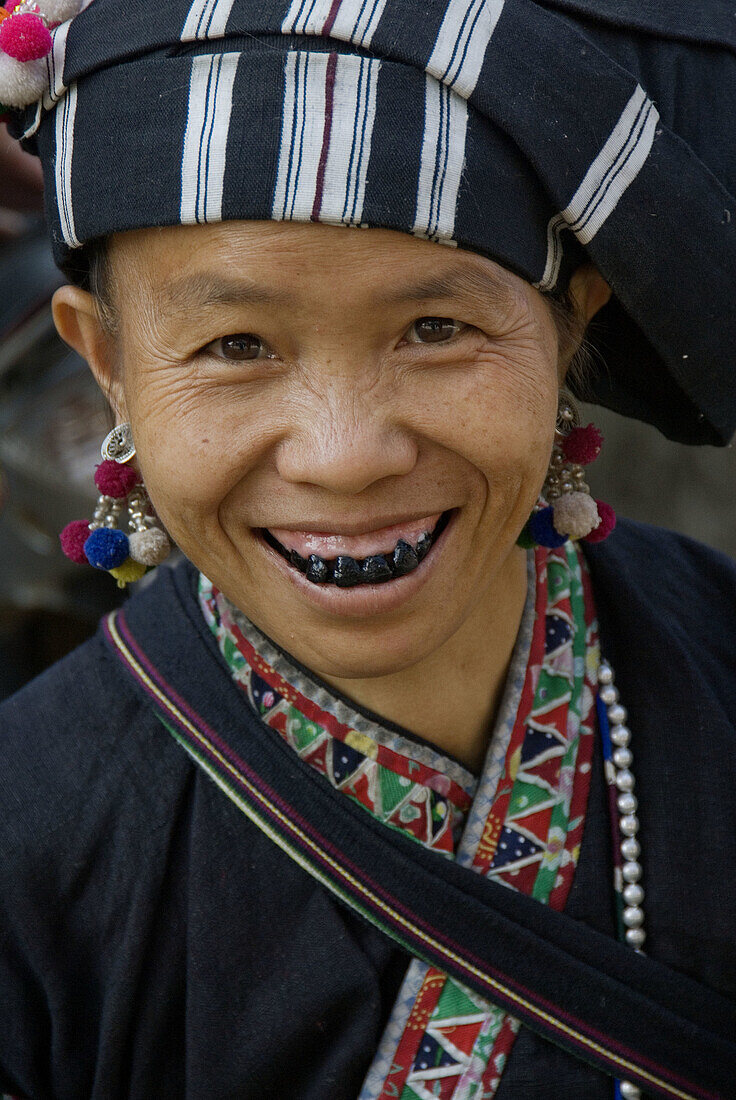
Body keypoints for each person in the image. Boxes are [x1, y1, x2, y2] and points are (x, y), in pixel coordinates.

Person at [0, 1, 735, 1097]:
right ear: (106, 361)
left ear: (570, 326)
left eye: (436, 329)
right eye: (234, 344)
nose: (345, 456)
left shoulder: (718, 650)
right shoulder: (28, 842)